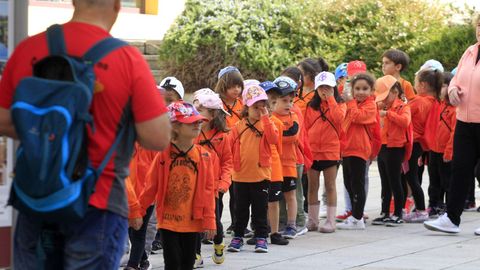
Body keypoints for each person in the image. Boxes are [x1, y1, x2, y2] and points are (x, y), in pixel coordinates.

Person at [0, 1, 171, 269]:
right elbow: (158, 137)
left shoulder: (29, 49)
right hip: (99, 201)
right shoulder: (127, 59)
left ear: (75, 1)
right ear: (116, 5)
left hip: (36, 197)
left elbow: (3, 120)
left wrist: (48, 134)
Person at [139, 101, 216, 270]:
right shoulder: (163, 155)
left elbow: (209, 190)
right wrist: (139, 211)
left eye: (198, 121)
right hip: (168, 221)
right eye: (191, 122)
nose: (197, 124)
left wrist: (210, 220)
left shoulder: (204, 156)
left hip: (192, 221)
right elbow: (151, 185)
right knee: (173, 263)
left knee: (188, 264)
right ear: (175, 127)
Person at [424, 15, 480, 235]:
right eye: (479, 26)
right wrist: (453, 89)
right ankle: (451, 218)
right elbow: (457, 78)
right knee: (460, 169)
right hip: (464, 121)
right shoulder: (469, 51)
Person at [227, 84, 279, 253]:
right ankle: (238, 236)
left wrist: (266, 119)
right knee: (240, 210)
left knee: (260, 210)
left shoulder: (267, 124)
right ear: (246, 107)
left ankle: (262, 237)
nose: (259, 110)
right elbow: (228, 147)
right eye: (255, 107)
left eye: (262, 106)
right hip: (240, 176)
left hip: (261, 175)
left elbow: (273, 139)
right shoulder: (238, 127)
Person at [193, 91, 233, 266]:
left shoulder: (223, 137)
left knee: (213, 220)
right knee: (194, 220)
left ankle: (218, 242)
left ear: (213, 113)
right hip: (194, 185)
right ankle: (196, 254)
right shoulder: (192, 134)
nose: (196, 111)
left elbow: (228, 163)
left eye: (201, 109)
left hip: (215, 188)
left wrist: (224, 183)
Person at [305, 71, 346, 233]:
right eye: (321, 87)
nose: (324, 90)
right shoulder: (310, 106)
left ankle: (330, 221)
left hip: (330, 151)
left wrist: (330, 100)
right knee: (312, 187)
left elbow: (338, 119)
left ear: (334, 88)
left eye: (328, 87)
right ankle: (313, 221)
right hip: (313, 152)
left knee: (330, 186)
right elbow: (306, 127)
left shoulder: (340, 104)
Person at [402, 68, 443, 223]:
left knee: (410, 177)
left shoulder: (419, 101)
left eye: (416, 83)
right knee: (411, 176)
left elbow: (403, 113)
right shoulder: (435, 102)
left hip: (413, 142)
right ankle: (418, 209)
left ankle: (420, 210)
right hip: (422, 144)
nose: (415, 87)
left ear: (423, 85)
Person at [337, 73, 378, 230]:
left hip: (360, 149)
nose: (361, 92)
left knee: (358, 184)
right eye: (357, 89)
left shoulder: (370, 105)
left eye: (365, 89)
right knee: (349, 184)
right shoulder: (350, 104)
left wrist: (350, 102)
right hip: (347, 149)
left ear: (372, 90)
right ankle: (355, 215)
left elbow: (358, 117)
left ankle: (357, 217)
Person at [372, 75, 411, 227]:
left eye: (386, 96)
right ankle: (385, 212)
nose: (384, 99)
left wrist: (388, 114)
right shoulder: (382, 106)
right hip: (383, 146)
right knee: (385, 182)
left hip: (396, 147)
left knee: (395, 181)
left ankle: (398, 213)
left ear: (395, 92)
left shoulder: (403, 106)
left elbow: (405, 122)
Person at [214, 65, 244, 235]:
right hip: (220, 154)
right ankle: (213, 225)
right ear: (223, 85)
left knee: (237, 194)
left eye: (239, 86)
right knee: (218, 194)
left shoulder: (242, 104)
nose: (237, 90)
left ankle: (236, 224)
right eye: (233, 86)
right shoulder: (216, 104)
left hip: (239, 154)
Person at [260, 81, 290, 246]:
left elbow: (278, 147)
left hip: (275, 167)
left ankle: (275, 232)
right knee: (260, 201)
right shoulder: (253, 123)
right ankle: (261, 230)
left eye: (272, 102)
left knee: (273, 201)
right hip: (260, 168)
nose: (269, 106)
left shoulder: (277, 123)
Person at [272, 76, 301, 239]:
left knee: (290, 195)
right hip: (274, 165)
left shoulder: (293, 117)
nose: (289, 104)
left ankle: (291, 225)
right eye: (284, 100)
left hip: (289, 163)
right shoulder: (270, 119)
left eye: (291, 101)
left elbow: (292, 136)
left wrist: (277, 132)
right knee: (272, 197)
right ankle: (270, 224)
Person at [427, 72, 455, 218]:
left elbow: (454, 133)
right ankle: (434, 204)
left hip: (446, 151)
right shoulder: (437, 105)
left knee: (447, 181)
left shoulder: (454, 109)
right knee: (434, 180)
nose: (441, 89)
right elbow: (431, 128)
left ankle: (449, 207)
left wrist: (449, 151)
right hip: (433, 149)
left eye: (444, 86)